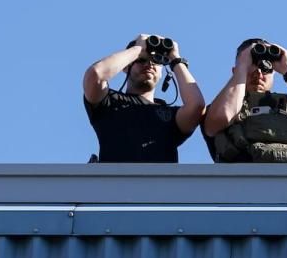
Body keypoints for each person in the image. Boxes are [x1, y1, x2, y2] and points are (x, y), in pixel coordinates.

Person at [202, 38, 287, 162]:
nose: (259, 73)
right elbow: (221, 117)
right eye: (252, 65)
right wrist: (243, 66)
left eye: (266, 68)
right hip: (242, 180)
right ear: (236, 71)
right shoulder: (220, 108)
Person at [83, 34, 204, 162]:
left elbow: (196, 106)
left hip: (159, 182)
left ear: (163, 71)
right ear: (125, 66)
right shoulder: (109, 103)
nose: (149, 64)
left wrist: (175, 59)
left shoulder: (170, 116)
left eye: (156, 60)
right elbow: (95, 75)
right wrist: (138, 49)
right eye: (142, 60)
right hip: (116, 181)